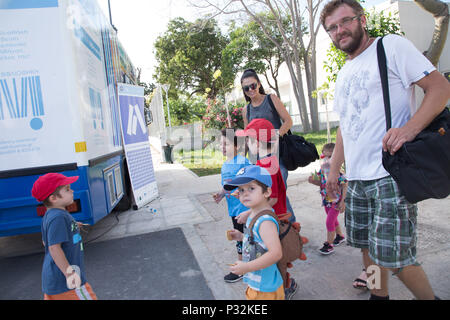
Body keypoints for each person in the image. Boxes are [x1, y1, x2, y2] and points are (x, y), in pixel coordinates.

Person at [320, 0, 450, 300]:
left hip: (389, 173)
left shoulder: (390, 47)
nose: (340, 31)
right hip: (357, 179)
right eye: (332, 28)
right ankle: (380, 296)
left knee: (396, 257)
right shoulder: (344, 73)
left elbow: (440, 88)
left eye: (345, 21)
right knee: (367, 247)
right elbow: (345, 125)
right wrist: (336, 169)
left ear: (362, 20)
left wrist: (409, 129)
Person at [235, 118, 298, 299]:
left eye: (248, 139)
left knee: (275, 260)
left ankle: (285, 288)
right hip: (268, 219)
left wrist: (249, 212)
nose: (246, 143)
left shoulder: (267, 166)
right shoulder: (264, 163)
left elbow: (274, 197)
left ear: (258, 141)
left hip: (272, 221)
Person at [240, 68, 296, 222]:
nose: (251, 90)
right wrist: (241, 158)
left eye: (253, 85)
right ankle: (270, 226)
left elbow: (288, 121)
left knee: (278, 191)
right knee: (264, 193)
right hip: (257, 158)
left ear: (258, 84)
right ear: (243, 90)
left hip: (277, 155)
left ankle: (290, 227)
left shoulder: (271, 99)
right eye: (246, 88)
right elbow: (247, 135)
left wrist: (275, 136)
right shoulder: (246, 110)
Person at [32, 173, 97, 300]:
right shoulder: (58, 217)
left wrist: (72, 226)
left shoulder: (51, 215)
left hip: (54, 283)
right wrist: (70, 274)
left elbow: (46, 242)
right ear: (53, 198)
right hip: (67, 283)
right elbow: (54, 248)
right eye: (67, 189)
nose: (72, 190)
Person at [224, 165, 284, 300]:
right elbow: (259, 242)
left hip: (265, 288)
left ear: (267, 192)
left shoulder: (265, 221)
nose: (245, 193)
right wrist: (241, 237)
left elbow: (276, 253)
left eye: (251, 188)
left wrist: (246, 267)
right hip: (258, 282)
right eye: (241, 190)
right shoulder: (254, 213)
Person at [213, 128, 251, 283]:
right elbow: (226, 185)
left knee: (244, 238)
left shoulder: (243, 162)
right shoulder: (225, 165)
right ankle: (248, 264)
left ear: (237, 146)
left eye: (226, 144)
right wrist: (220, 195)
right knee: (240, 237)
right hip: (233, 210)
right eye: (221, 144)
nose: (222, 147)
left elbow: (249, 183)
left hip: (245, 209)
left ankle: (242, 267)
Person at [308, 143, 347, 255]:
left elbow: (345, 185)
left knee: (329, 221)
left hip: (336, 201)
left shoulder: (339, 171)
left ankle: (329, 244)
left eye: (330, 157)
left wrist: (343, 201)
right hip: (326, 200)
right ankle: (339, 236)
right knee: (333, 220)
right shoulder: (323, 169)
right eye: (324, 156)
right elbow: (320, 182)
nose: (327, 160)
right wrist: (313, 180)